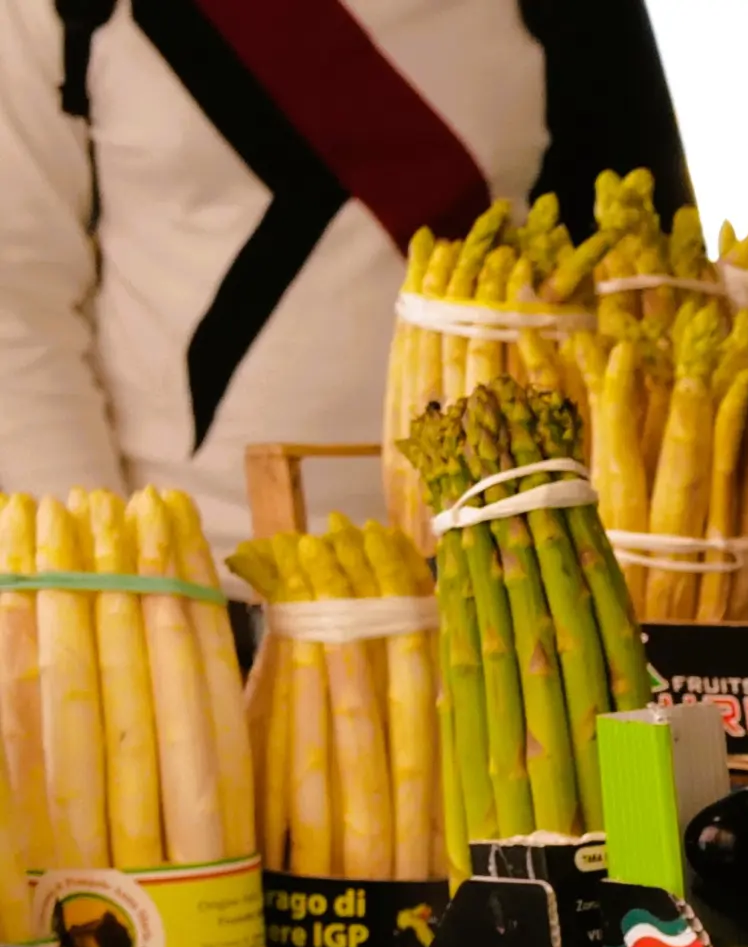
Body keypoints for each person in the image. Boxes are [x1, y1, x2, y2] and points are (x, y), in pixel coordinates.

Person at [0, 0, 681, 549]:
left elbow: (645, 284)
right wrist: (114, 588)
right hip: (200, 587)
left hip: (516, 570)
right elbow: (17, 306)